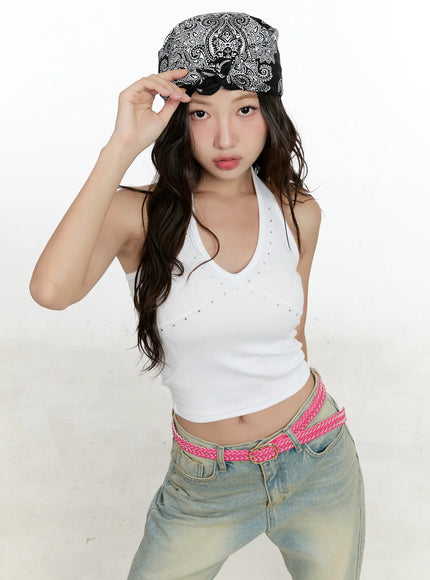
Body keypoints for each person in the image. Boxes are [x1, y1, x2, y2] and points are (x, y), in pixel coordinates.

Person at [30, 11, 365, 580]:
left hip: (317, 457)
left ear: (270, 114)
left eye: (245, 109)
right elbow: (50, 291)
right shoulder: (140, 214)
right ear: (177, 119)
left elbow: (294, 332)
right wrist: (121, 145)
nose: (225, 137)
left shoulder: (297, 212)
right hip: (206, 483)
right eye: (202, 113)